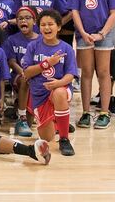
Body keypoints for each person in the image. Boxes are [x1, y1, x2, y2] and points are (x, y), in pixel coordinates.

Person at [69, 0, 115, 130]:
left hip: (103, 36)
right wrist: (82, 32)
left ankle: (104, 113)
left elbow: (114, 12)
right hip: (84, 35)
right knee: (87, 73)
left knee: (104, 73)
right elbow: (74, 10)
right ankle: (85, 112)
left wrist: (102, 33)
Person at [22, 9, 78, 156]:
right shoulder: (33, 46)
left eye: (50, 24)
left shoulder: (66, 48)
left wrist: (59, 83)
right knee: (47, 138)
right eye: (43, 25)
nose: (47, 28)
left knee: (59, 93)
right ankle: (58, 122)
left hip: (59, 88)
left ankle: (65, 139)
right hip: (39, 94)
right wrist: (47, 64)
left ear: (58, 27)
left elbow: (71, 74)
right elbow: (26, 72)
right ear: (38, 27)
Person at [2, 7, 41, 137]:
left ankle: (52, 118)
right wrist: (25, 73)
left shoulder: (41, 40)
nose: (24, 20)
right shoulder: (11, 40)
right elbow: (12, 62)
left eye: (27, 18)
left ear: (34, 21)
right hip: (19, 76)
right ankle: (22, 118)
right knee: (26, 80)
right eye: (20, 18)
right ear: (17, 22)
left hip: (38, 76)